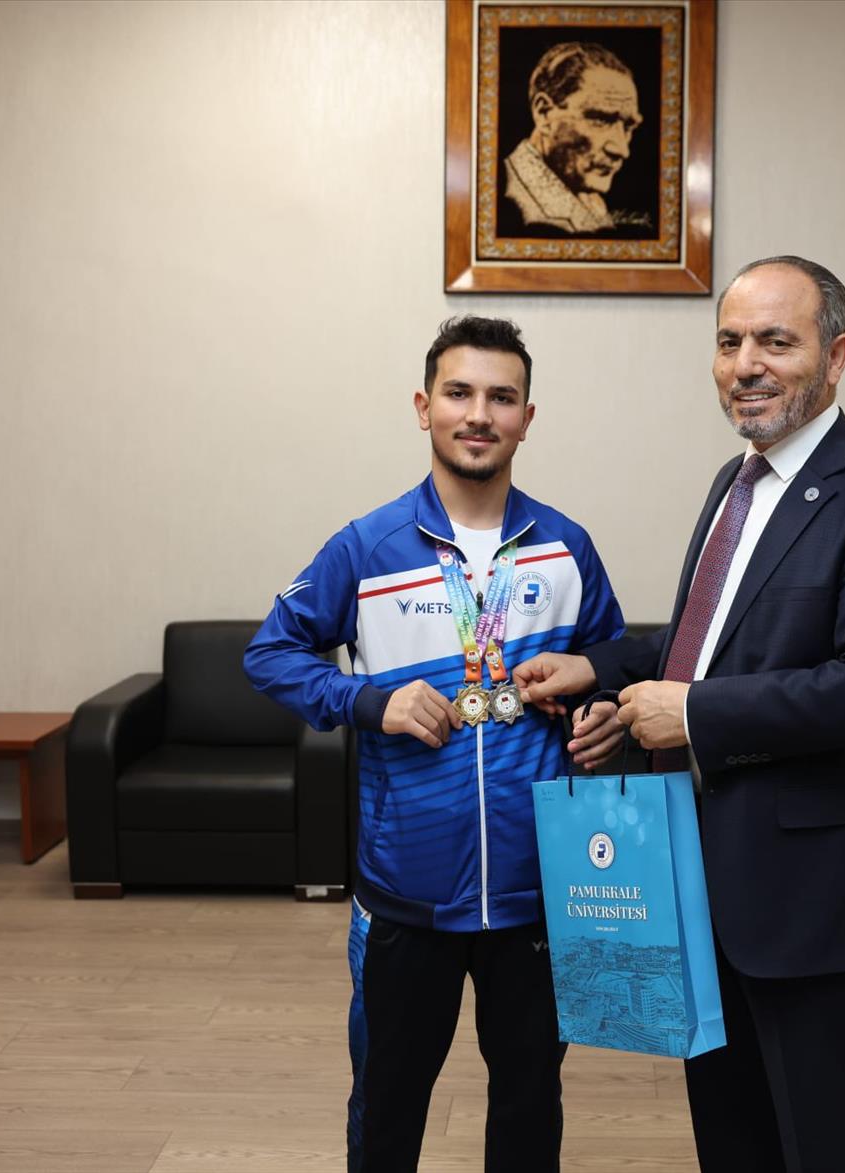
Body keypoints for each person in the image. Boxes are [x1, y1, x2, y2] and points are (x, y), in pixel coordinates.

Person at [514, 256, 845, 1172]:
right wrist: (601, 666)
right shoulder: (735, 482)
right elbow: (707, 638)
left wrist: (696, 715)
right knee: (732, 1135)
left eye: (775, 341)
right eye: (730, 341)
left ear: (836, 357)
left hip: (811, 897)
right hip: (701, 878)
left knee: (834, 1143)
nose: (746, 363)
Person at [245, 315, 627, 1173]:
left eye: (501, 397)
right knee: (388, 1106)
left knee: (530, 1103)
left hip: (537, 894)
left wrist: (600, 703)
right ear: (424, 407)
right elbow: (269, 653)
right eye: (459, 393)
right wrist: (368, 700)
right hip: (405, 895)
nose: (479, 414)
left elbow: (610, 661)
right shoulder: (368, 546)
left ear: (528, 417)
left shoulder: (567, 547)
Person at [501, 41, 645, 236]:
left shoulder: (588, 198)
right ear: (544, 113)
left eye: (628, 127)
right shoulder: (510, 205)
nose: (622, 150)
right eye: (601, 120)